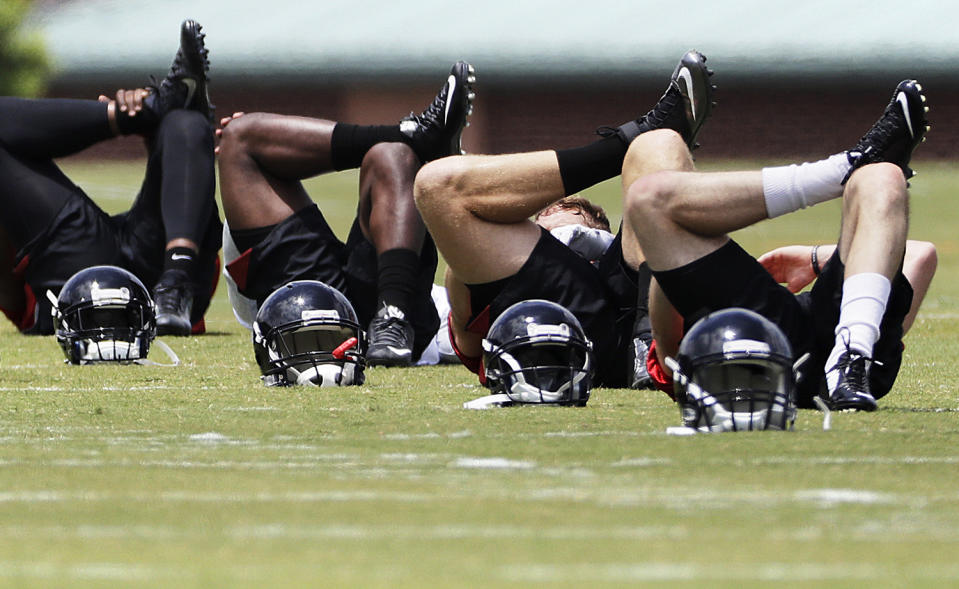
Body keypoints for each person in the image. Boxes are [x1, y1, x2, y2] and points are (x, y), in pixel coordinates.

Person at [623, 78, 938, 412]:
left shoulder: (860, 303)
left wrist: (818, 258)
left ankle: (851, 358)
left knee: (884, 174)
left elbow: (914, 251)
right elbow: (919, 255)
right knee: (646, 198)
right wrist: (816, 258)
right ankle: (845, 166)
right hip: (744, 350)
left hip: (842, 338)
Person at [413, 51, 716, 389]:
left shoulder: (617, 256)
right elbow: (468, 341)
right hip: (546, 324)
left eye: (577, 222)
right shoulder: (507, 262)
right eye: (548, 218)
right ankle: (625, 143)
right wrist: (472, 272)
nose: (564, 226)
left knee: (662, 143)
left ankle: (650, 344)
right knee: (434, 184)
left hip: (639, 314)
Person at [216, 61, 475, 367]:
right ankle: (416, 136)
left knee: (392, 155)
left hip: (387, 300)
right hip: (302, 305)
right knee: (238, 135)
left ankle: (392, 321)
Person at [0, 19, 221, 337]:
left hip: (158, 270)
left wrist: (155, 137)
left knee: (185, 121)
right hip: (75, 283)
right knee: (185, 112)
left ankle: (176, 287)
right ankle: (153, 108)